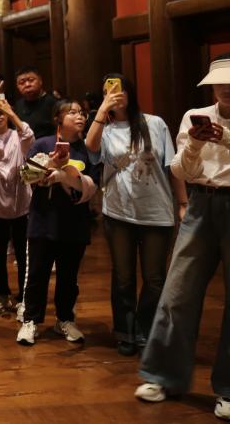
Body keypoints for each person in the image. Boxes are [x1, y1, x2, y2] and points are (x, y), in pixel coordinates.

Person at [136, 55, 230, 419]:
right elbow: (180, 170)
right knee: (177, 293)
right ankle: (162, 376)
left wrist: (226, 139)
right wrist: (193, 144)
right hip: (201, 205)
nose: (225, 88)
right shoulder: (196, 115)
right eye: (220, 81)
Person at [85, 73, 182, 356]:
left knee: (154, 278)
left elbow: (172, 166)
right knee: (123, 277)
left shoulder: (155, 123)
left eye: (120, 89)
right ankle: (125, 332)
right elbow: (91, 147)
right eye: (108, 90)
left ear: (130, 92)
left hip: (157, 211)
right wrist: (102, 111)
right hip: (119, 212)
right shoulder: (104, 128)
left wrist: (183, 202)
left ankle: (145, 329)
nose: (115, 94)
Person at [17, 99, 98, 347]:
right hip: (43, 222)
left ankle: (65, 319)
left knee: (68, 277)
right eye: (72, 112)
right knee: (37, 275)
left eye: (82, 113)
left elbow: (92, 186)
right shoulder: (42, 144)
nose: (80, 116)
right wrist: (50, 163)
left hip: (75, 223)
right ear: (58, 119)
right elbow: (26, 177)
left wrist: (64, 175)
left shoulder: (88, 149)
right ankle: (30, 320)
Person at [0, 98, 34, 316]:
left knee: (23, 254)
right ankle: (1, 295)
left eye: (1, 111)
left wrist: (11, 113)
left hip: (22, 204)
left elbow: (29, 137)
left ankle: (24, 296)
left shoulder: (17, 135)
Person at [13, 67, 59, 139]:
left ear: (40, 81)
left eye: (31, 80)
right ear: (17, 86)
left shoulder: (54, 103)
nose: (27, 84)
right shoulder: (18, 105)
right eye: (22, 83)